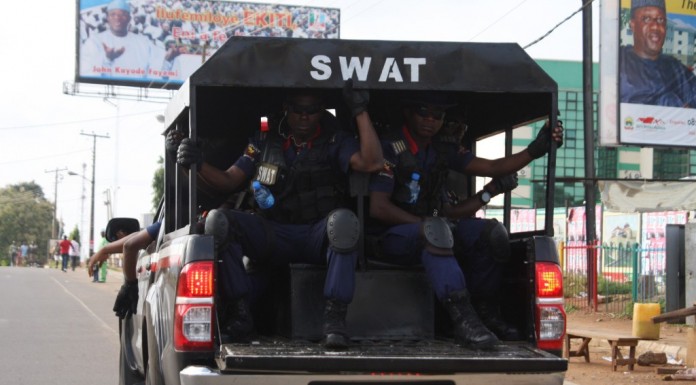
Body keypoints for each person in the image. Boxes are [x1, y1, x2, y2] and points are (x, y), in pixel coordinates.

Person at [174, 83, 382, 349]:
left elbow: (372, 162)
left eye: (312, 110)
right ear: (286, 109)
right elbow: (228, 181)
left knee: (344, 222)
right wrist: (197, 162)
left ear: (321, 112)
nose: (304, 116)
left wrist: (360, 110)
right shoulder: (262, 142)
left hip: (315, 234)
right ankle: (240, 315)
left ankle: (334, 321)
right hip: (275, 233)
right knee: (218, 220)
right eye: (298, 110)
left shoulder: (335, 140)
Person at [367, 93, 563, 349]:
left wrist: (534, 151)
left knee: (491, 234)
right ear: (408, 113)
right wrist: (424, 224)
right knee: (436, 230)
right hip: (391, 238)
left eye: (437, 115)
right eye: (423, 112)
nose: (430, 120)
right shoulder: (389, 147)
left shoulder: (440, 150)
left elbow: (493, 167)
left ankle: (485, 314)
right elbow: (378, 207)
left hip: (432, 233)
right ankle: (463, 319)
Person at [79, 0, 180, 81]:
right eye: (113, 14)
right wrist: (108, 60)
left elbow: (159, 78)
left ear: (129, 18)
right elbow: (91, 76)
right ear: (107, 18)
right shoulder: (94, 42)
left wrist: (168, 60)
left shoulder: (143, 42)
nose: (117, 18)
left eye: (122, 15)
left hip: (141, 101)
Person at [620, 0, 696, 107]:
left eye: (661, 20)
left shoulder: (676, 70)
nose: (655, 26)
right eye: (646, 19)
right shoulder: (619, 62)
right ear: (633, 25)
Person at [87, 222, 161, 319]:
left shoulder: (169, 215)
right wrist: (104, 250)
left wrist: (129, 286)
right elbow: (139, 236)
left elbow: (129, 245)